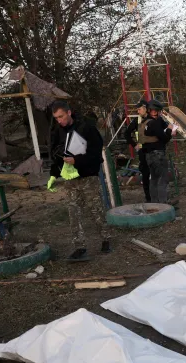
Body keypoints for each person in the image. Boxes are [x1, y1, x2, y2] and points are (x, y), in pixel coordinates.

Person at [47, 101, 110, 262]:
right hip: (70, 179)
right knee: (73, 212)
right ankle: (79, 247)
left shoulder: (86, 128)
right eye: (56, 118)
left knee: (96, 210)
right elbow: (55, 154)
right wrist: (53, 175)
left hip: (88, 177)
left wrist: (77, 161)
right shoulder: (57, 131)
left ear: (69, 112)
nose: (59, 120)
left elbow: (96, 153)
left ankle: (106, 239)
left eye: (61, 116)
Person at [140, 100, 177, 203]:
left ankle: (155, 204)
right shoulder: (154, 123)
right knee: (162, 179)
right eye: (157, 111)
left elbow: (161, 126)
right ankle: (163, 205)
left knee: (154, 180)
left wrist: (166, 126)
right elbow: (164, 138)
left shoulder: (145, 122)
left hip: (148, 156)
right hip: (158, 155)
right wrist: (170, 129)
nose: (159, 113)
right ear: (154, 111)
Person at [124, 99, 151, 202]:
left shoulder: (153, 119)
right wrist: (134, 145)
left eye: (139, 109)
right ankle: (148, 198)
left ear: (145, 109)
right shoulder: (137, 121)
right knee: (145, 174)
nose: (138, 112)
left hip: (154, 151)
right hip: (143, 152)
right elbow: (126, 134)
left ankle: (158, 196)